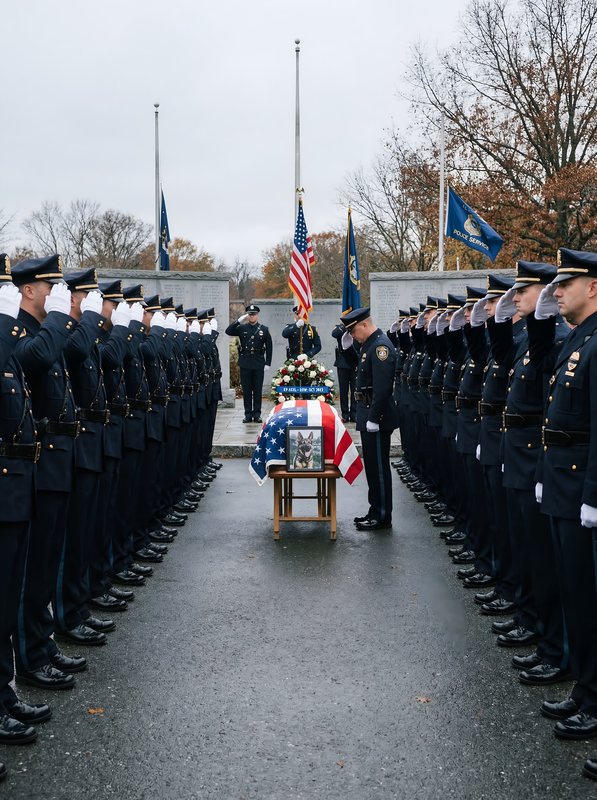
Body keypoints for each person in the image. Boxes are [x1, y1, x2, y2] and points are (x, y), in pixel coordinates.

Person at [533, 248, 597, 752]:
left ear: (592, 286)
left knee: (587, 598)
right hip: (560, 482)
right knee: (572, 592)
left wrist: (592, 495)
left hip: (581, 490)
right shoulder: (575, 339)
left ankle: (594, 699)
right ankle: (583, 687)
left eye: (565, 284)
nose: (556, 292)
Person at [340, 306, 398, 530]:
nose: (353, 336)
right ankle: (375, 510)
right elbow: (362, 368)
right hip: (368, 412)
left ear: (364, 324)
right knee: (372, 468)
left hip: (377, 415)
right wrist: (347, 349)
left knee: (379, 468)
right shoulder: (370, 344)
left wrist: (374, 417)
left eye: (353, 332)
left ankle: (382, 516)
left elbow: (383, 388)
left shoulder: (381, 346)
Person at [225, 304, 272, 423]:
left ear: (257, 315)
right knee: (246, 390)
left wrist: (268, 363)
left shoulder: (264, 329)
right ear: (247, 315)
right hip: (245, 362)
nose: (252, 316)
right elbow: (228, 331)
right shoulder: (242, 328)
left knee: (257, 390)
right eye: (250, 314)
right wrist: (238, 321)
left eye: (254, 314)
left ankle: (257, 414)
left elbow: (269, 347)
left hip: (258, 363)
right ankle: (247, 414)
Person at [331, 322, 357, 422]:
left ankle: (354, 413)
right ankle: (345, 414)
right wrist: (344, 327)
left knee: (355, 389)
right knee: (343, 390)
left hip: (355, 362)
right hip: (343, 363)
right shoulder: (341, 328)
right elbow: (334, 334)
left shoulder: (357, 327)